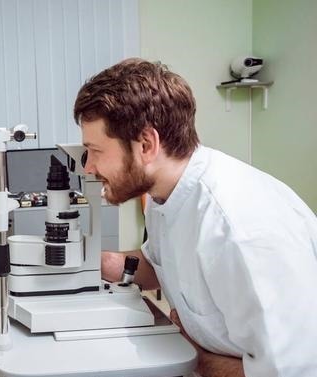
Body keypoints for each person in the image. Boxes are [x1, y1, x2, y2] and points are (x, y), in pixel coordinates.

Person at [73, 58, 317, 377]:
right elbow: (160, 265)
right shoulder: (167, 195)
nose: (88, 167)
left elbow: (293, 371)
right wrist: (94, 261)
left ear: (146, 145)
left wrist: (196, 357)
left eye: (96, 151)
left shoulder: (238, 228)